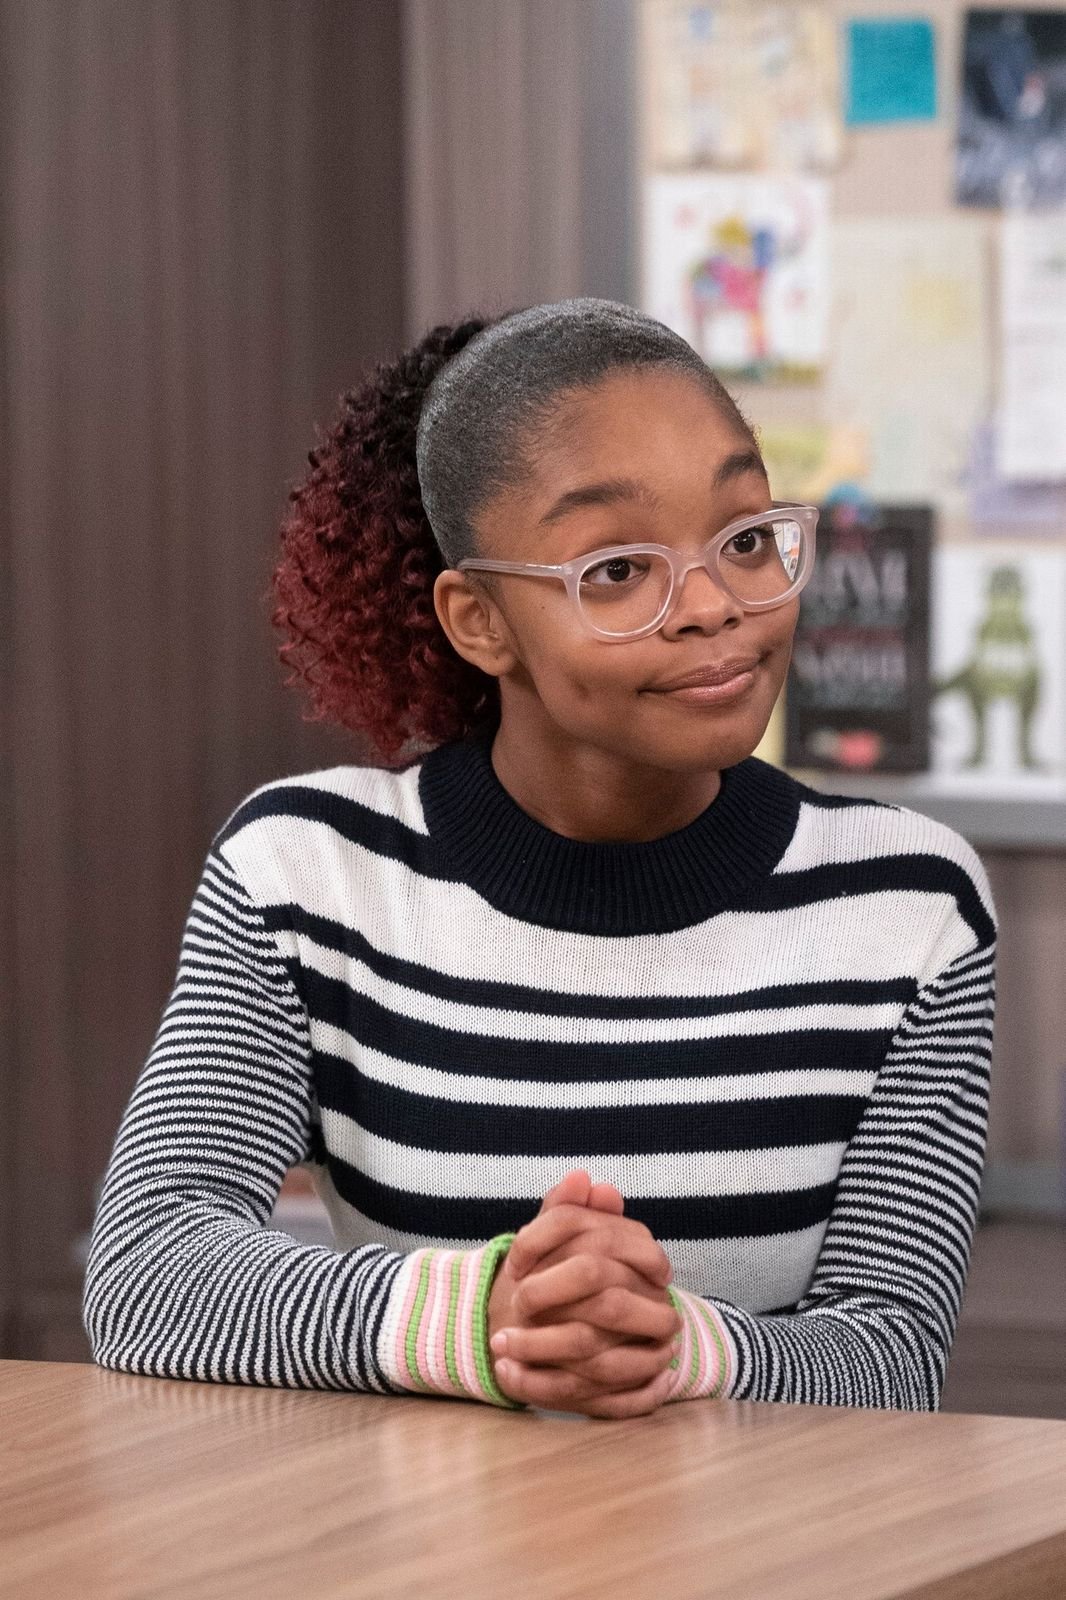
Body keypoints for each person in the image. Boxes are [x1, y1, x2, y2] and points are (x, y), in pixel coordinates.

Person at [83, 298, 996, 1419]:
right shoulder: (307, 877)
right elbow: (146, 1269)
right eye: (617, 570)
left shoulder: (907, 905)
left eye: (747, 538)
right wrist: (481, 1319)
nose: (714, 606)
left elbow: (893, 1352)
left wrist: (665, 1348)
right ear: (479, 621)